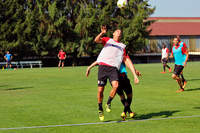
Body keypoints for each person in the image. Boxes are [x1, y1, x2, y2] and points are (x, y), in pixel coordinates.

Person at [93, 25, 139, 121]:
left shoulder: (122, 46)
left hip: (113, 68)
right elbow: (96, 40)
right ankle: (100, 108)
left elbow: (127, 60)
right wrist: (102, 33)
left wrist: (134, 74)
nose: (119, 32)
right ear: (113, 33)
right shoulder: (108, 40)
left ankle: (108, 102)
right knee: (100, 91)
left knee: (116, 85)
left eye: (120, 32)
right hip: (103, 67)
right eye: (117, 31)